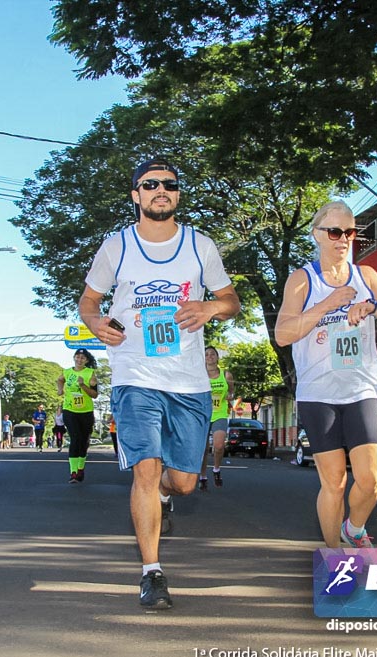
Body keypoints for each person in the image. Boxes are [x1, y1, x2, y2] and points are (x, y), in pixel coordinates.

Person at [79, 158, 241, 610]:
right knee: (146, 469)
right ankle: (152, 572)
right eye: (150, 185)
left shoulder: (199, 245)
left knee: (184, 483)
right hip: (135, 375)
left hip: (188, 381)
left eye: (168, 185)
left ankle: (168, 497)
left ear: (177, 194)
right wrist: (95, 323)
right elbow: (88, 302)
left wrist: (211, 308)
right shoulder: (116, 247)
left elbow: (231, 300)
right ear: (136, 195)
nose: (160, 191)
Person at [274, 200, 377, 549]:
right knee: (333, 482)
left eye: (350, 232)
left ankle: (354, 528)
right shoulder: (303, 281)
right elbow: (283, 334)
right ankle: (334, 558)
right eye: (334, 232)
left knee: (371, 481)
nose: (343, 239)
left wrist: (374, 306)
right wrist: (328, 305)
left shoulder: (367, 277)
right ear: (317, 235)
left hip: (360, 388)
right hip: (318, 393)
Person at [57, 348, 99, 482]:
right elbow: (60, 380)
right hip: (70, 410)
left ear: (86, 360)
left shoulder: (90, 374)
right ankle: (73, 472)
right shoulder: (67, 372)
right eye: (78, 357)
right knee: (75, 439)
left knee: (83, 441)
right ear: (74, 358)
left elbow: (95, 395)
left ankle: (81, 468)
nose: (79, 360)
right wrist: (60, 390)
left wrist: (83, 386)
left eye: (83, 358)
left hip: (85, 411)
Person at [198, 345, 234, 491]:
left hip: (219, 414)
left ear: (217, 357)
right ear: (203, 358)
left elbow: (231, 391)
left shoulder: (226, 375)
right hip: (203, 414)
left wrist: (229, 396)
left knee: (218, 446)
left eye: (213, 354)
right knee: (203, 449)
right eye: (206, 354)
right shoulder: (198, 375)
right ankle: (202, 476)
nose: (210, 356)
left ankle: (217, 469)